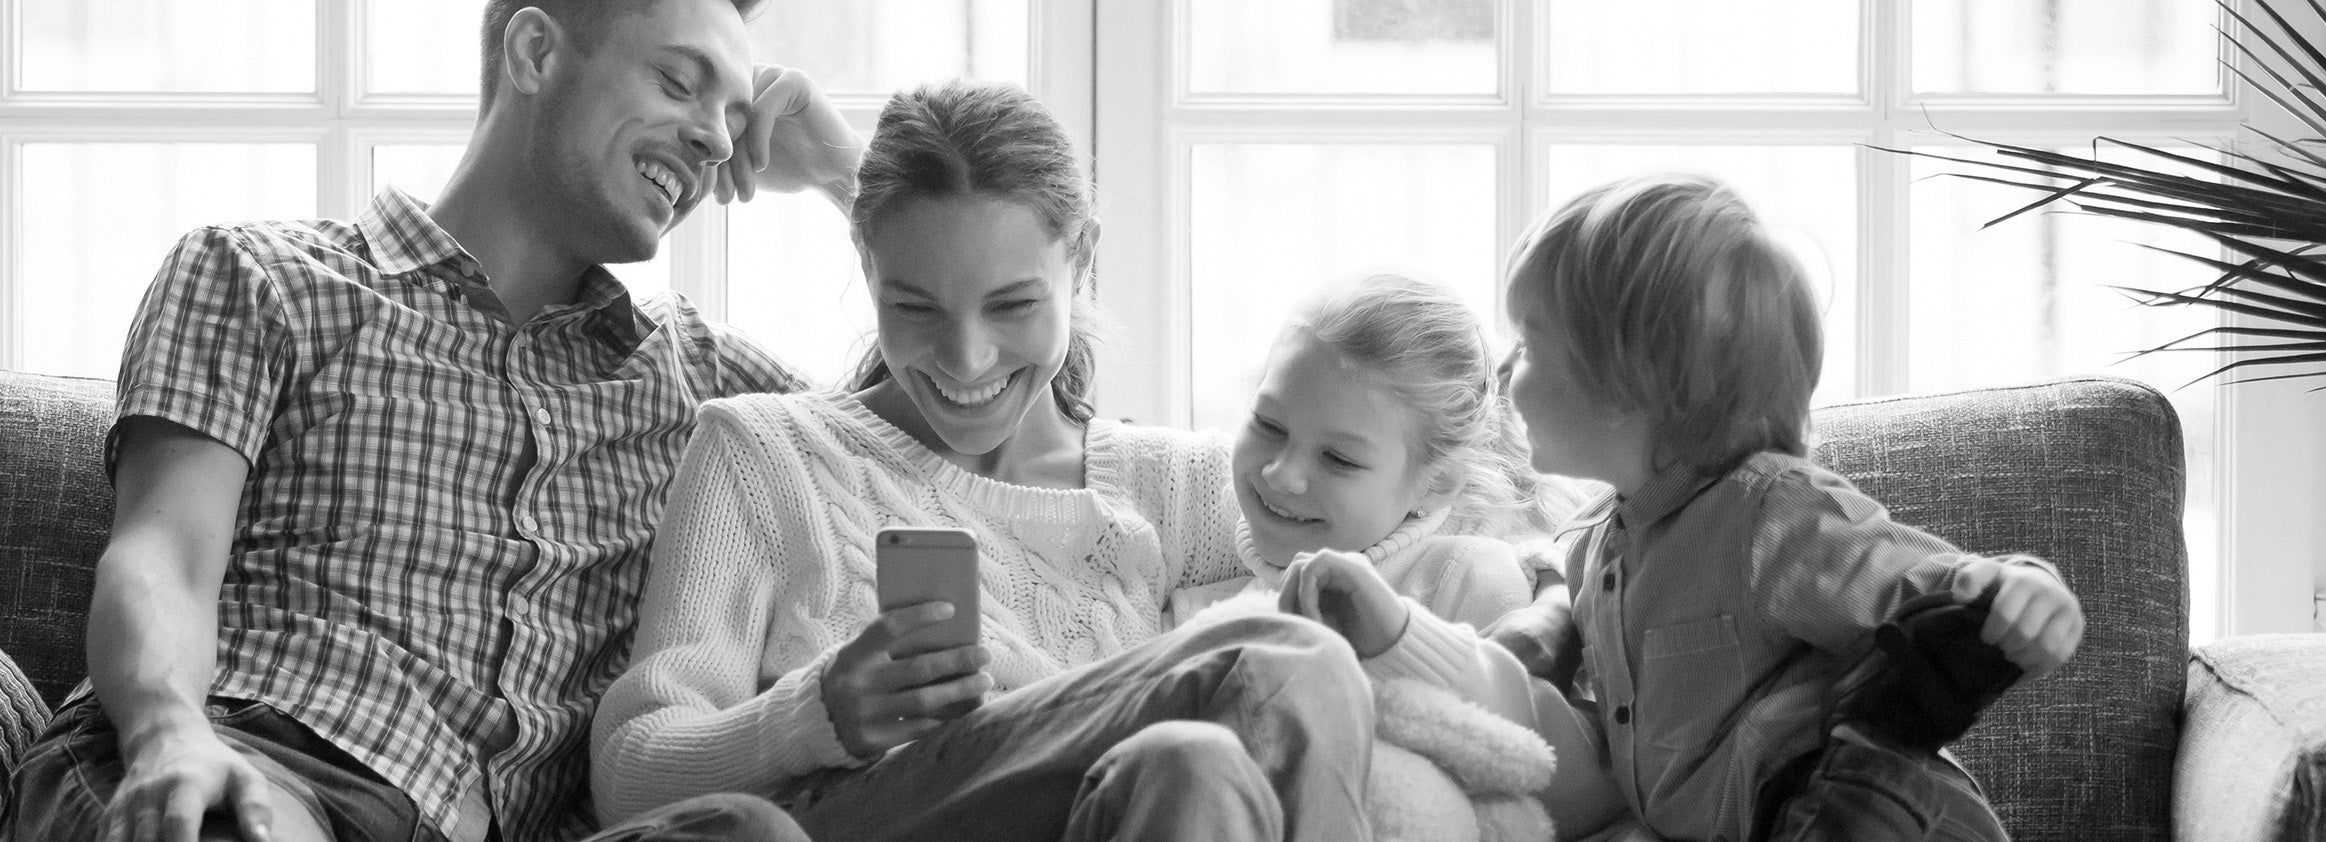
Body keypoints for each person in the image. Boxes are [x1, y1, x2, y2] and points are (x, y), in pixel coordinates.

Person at [2, 1, 860, 840]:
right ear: (534, 52)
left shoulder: (697, 383)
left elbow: (951, 410)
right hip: (260, 759)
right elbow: (163, 554)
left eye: (734, 116)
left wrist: (843, 175)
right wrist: (168, 734)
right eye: (679, 81)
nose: (716, 139)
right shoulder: (264, 276)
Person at [591, 79, 1377, 842]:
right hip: (857, 819)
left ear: (1083, 259)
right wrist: (811, 717)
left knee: (1193, 760)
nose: (966, 361)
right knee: (1290, 660)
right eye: (914, 307)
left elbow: (1425, 527)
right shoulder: (766, 455)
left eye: (1013, 305)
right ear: (866, 268)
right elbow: (628, 775)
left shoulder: (1175, 486)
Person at [1471, 173, 2087, 840]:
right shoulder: (1600, 544)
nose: (1504, 373)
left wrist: (2025, 589)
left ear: (1629, 378)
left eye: (1528, 346)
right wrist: (1548, 625)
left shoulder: (1769, 513)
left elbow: (1930, 588)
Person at [1166, 273, 1621, 839]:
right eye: (1268, 424)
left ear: (1436, 483)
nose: (1281, 473)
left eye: (1338, 459)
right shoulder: (1207, 601)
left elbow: (1524, 769)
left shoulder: (1465, 575)